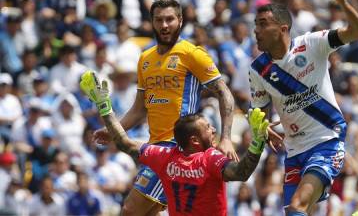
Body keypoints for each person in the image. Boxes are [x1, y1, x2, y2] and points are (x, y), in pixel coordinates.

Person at [92, 0, 238, 215]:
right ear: (151, 21)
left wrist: (226, 137)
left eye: (170, 19)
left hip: (178, 148)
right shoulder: (145, 59)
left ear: (180, 20)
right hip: (155, 148)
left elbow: (224, 92)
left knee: (130, 210)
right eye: (159, 20)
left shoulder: (192, 54)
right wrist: (115, 131)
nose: (164, 25)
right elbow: (139, 109)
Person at [249, 0, 358, 216]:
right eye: (255, 24)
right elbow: (259, 112)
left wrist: (343, 3)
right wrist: (262, 127)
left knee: (297, 208)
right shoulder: (258, 70)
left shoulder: (313, 44)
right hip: (294, 152)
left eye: (263, 24)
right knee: (297, 213)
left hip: (327, 141)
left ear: (282, 28)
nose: (256, 30)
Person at [80, 70, 271, 216]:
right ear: (194, 140)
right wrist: (257, 144)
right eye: (208, 128)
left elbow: (124, 143)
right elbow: (241, 172)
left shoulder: (164, 157)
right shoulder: (211, 159)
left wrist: (104, 106)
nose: (213, 130)